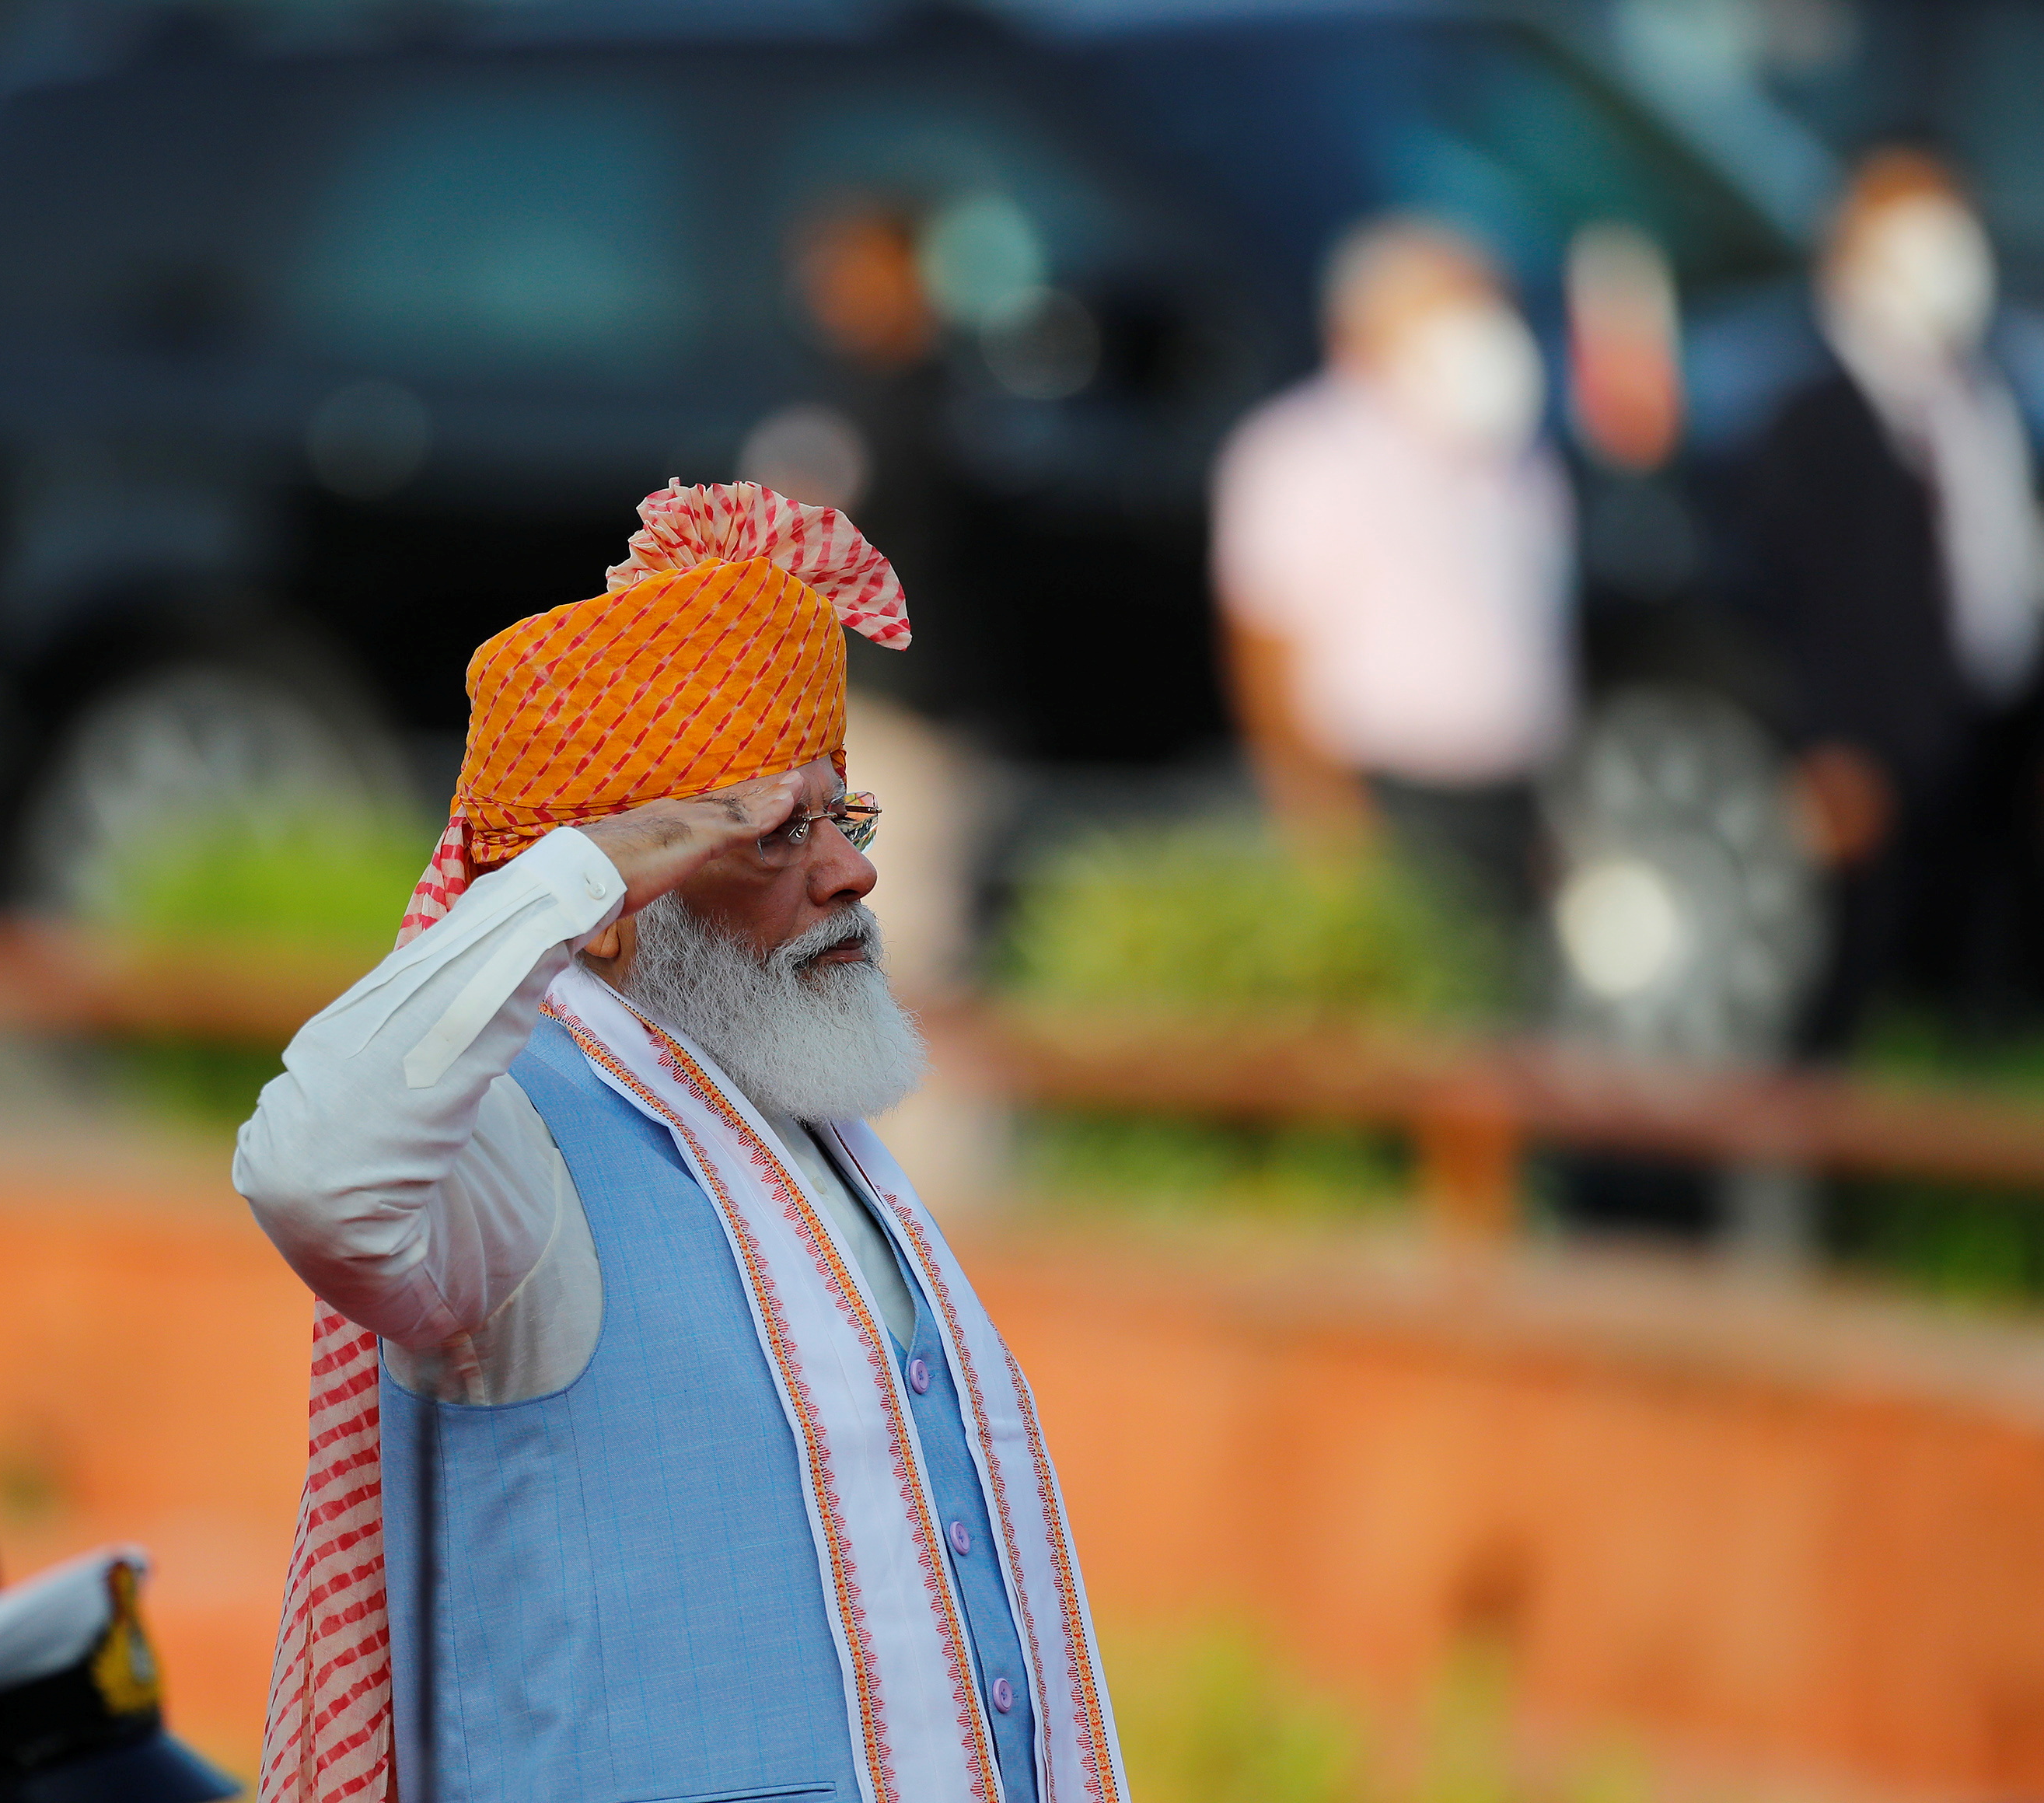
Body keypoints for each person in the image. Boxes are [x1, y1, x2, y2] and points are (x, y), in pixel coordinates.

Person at [235, 481, 1127, 1803]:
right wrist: (573, 867)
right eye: (774, 833)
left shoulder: (811, 1124)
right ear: (609, 901)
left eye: (846, 818)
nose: (850, 872)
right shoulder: (510, 1138)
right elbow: (309, 1167)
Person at [1733, 148, 2044, 1053]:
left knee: (1974, 1004)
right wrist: (1817, 741)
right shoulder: (1792, 412)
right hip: (1863, 761)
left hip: (1985, 753)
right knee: (1840, 1001)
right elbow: (1773, 597)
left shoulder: (1993, 398)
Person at [1214, 215, 1575, 922]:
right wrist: (1325, 820)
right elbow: (1263, 648)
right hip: (1384, 802)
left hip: (1509, 800)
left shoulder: (1521, 458)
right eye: (1456, 307)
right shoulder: (1299, 457)